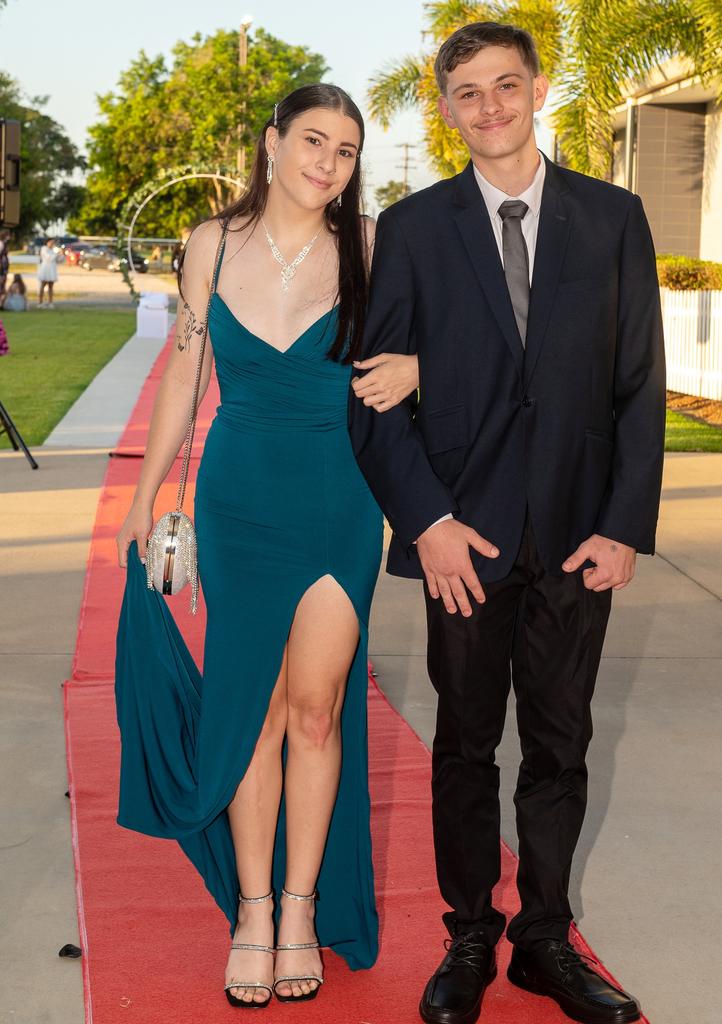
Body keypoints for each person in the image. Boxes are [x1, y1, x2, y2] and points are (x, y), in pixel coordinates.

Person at [350, 21, 665, 1024]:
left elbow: (639, 388)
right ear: (445, 109)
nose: (490, 107)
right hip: (466, 545)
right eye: (467, 93)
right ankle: (471, 935)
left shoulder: (613, 218)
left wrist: (622, 525)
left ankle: (543, 938)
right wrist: (427, 521)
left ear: (538, 91)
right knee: (466, 745)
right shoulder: (413, 228)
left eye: (506, 86)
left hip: (578, 535)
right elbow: (376, 397)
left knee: (561, 746)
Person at [113, 84, 418, 1009]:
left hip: (339, 501)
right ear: (272, 142)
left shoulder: (369, 249)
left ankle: (299, 909)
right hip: (237, 498)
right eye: (315, 141)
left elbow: (457, 349)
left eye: (348, 150)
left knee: (318, 710)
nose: (329, 162)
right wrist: (147, 494)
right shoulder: (212, 242)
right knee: (252, 711)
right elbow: (184, 373)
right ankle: (251, 910)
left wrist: (421, 366)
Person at [37, 239, 58, 307]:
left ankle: (50, 302)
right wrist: (56, 254)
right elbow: (49, 258)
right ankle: (40, 302)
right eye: (51, 242)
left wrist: (61, 254)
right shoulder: (44, 249)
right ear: (47, 242)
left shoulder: (53, 250)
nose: (52, 244)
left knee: (51, 287)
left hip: (52, 269)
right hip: (45, 269)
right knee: (42, 285)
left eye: (53, 242)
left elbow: (58, 260)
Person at [0, 229, 10, 307]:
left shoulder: (5, 243)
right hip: (1, 267)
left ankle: (1, 304)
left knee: (3, 285)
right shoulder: (1, 243)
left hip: (4, 267)